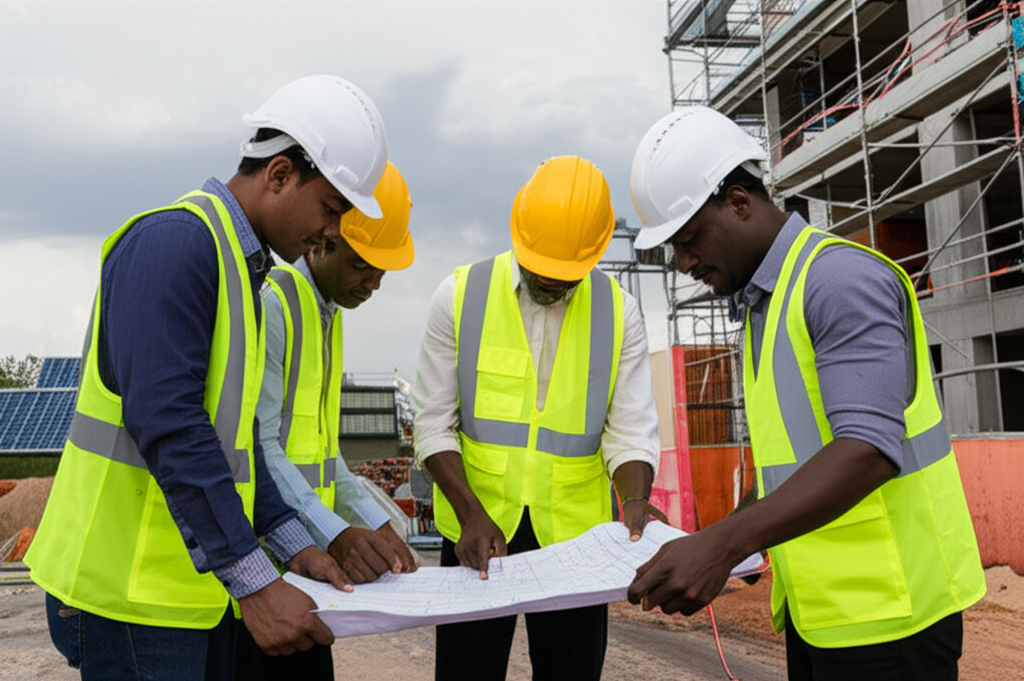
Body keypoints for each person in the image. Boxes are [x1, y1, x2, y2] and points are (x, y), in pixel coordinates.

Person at [25, 74, 391, 680]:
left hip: (182, 598)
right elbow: (170, 424)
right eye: (332, 208)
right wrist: (257, 583)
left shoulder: (242, 273)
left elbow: (238, 446)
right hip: (125, 598)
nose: (334, 230)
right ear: (279, 174)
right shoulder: (175, 244)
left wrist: (294, 543)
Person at [625, 106, 986, 680]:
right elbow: (791, 465)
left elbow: (867, 448)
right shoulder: (765, 304)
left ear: (738, 203)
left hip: (893, 617)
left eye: (689, 239)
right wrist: (720, 541)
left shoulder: (837, 281)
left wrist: (724, 544)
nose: (683, 263)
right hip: (825, 614)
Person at [412, 155, 660, 681]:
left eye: (563, 277)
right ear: (519, 234)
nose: (548, 282)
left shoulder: (620, 313)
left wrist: (636, 501)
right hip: (476, 530)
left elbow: (631, 432)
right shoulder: (459, 296)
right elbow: (432, 424)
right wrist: (471, 514)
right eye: (539, 270)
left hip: (575, 546)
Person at [242, 161, 419, 680]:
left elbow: (325, 455)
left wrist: (376, 522)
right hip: (267, 571)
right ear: (324, 240)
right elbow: (260, 446)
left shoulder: (327, 313)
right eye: (364, 265)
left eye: (383, 270)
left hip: (307, 567)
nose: (375, 283)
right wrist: (336, 532)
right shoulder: (276, 306)